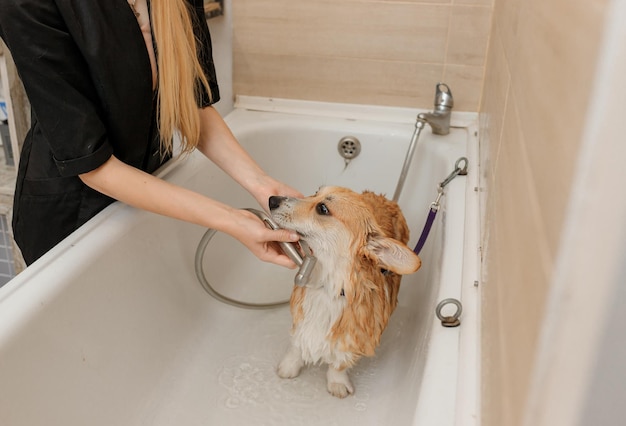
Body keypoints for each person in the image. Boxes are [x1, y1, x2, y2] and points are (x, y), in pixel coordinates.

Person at [0, 0, 302, 267]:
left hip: (151, 191)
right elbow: (93, 164)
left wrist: (263, 185)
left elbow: (191, 105)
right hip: (71, 221)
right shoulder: (25, 4)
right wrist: (233, 220)